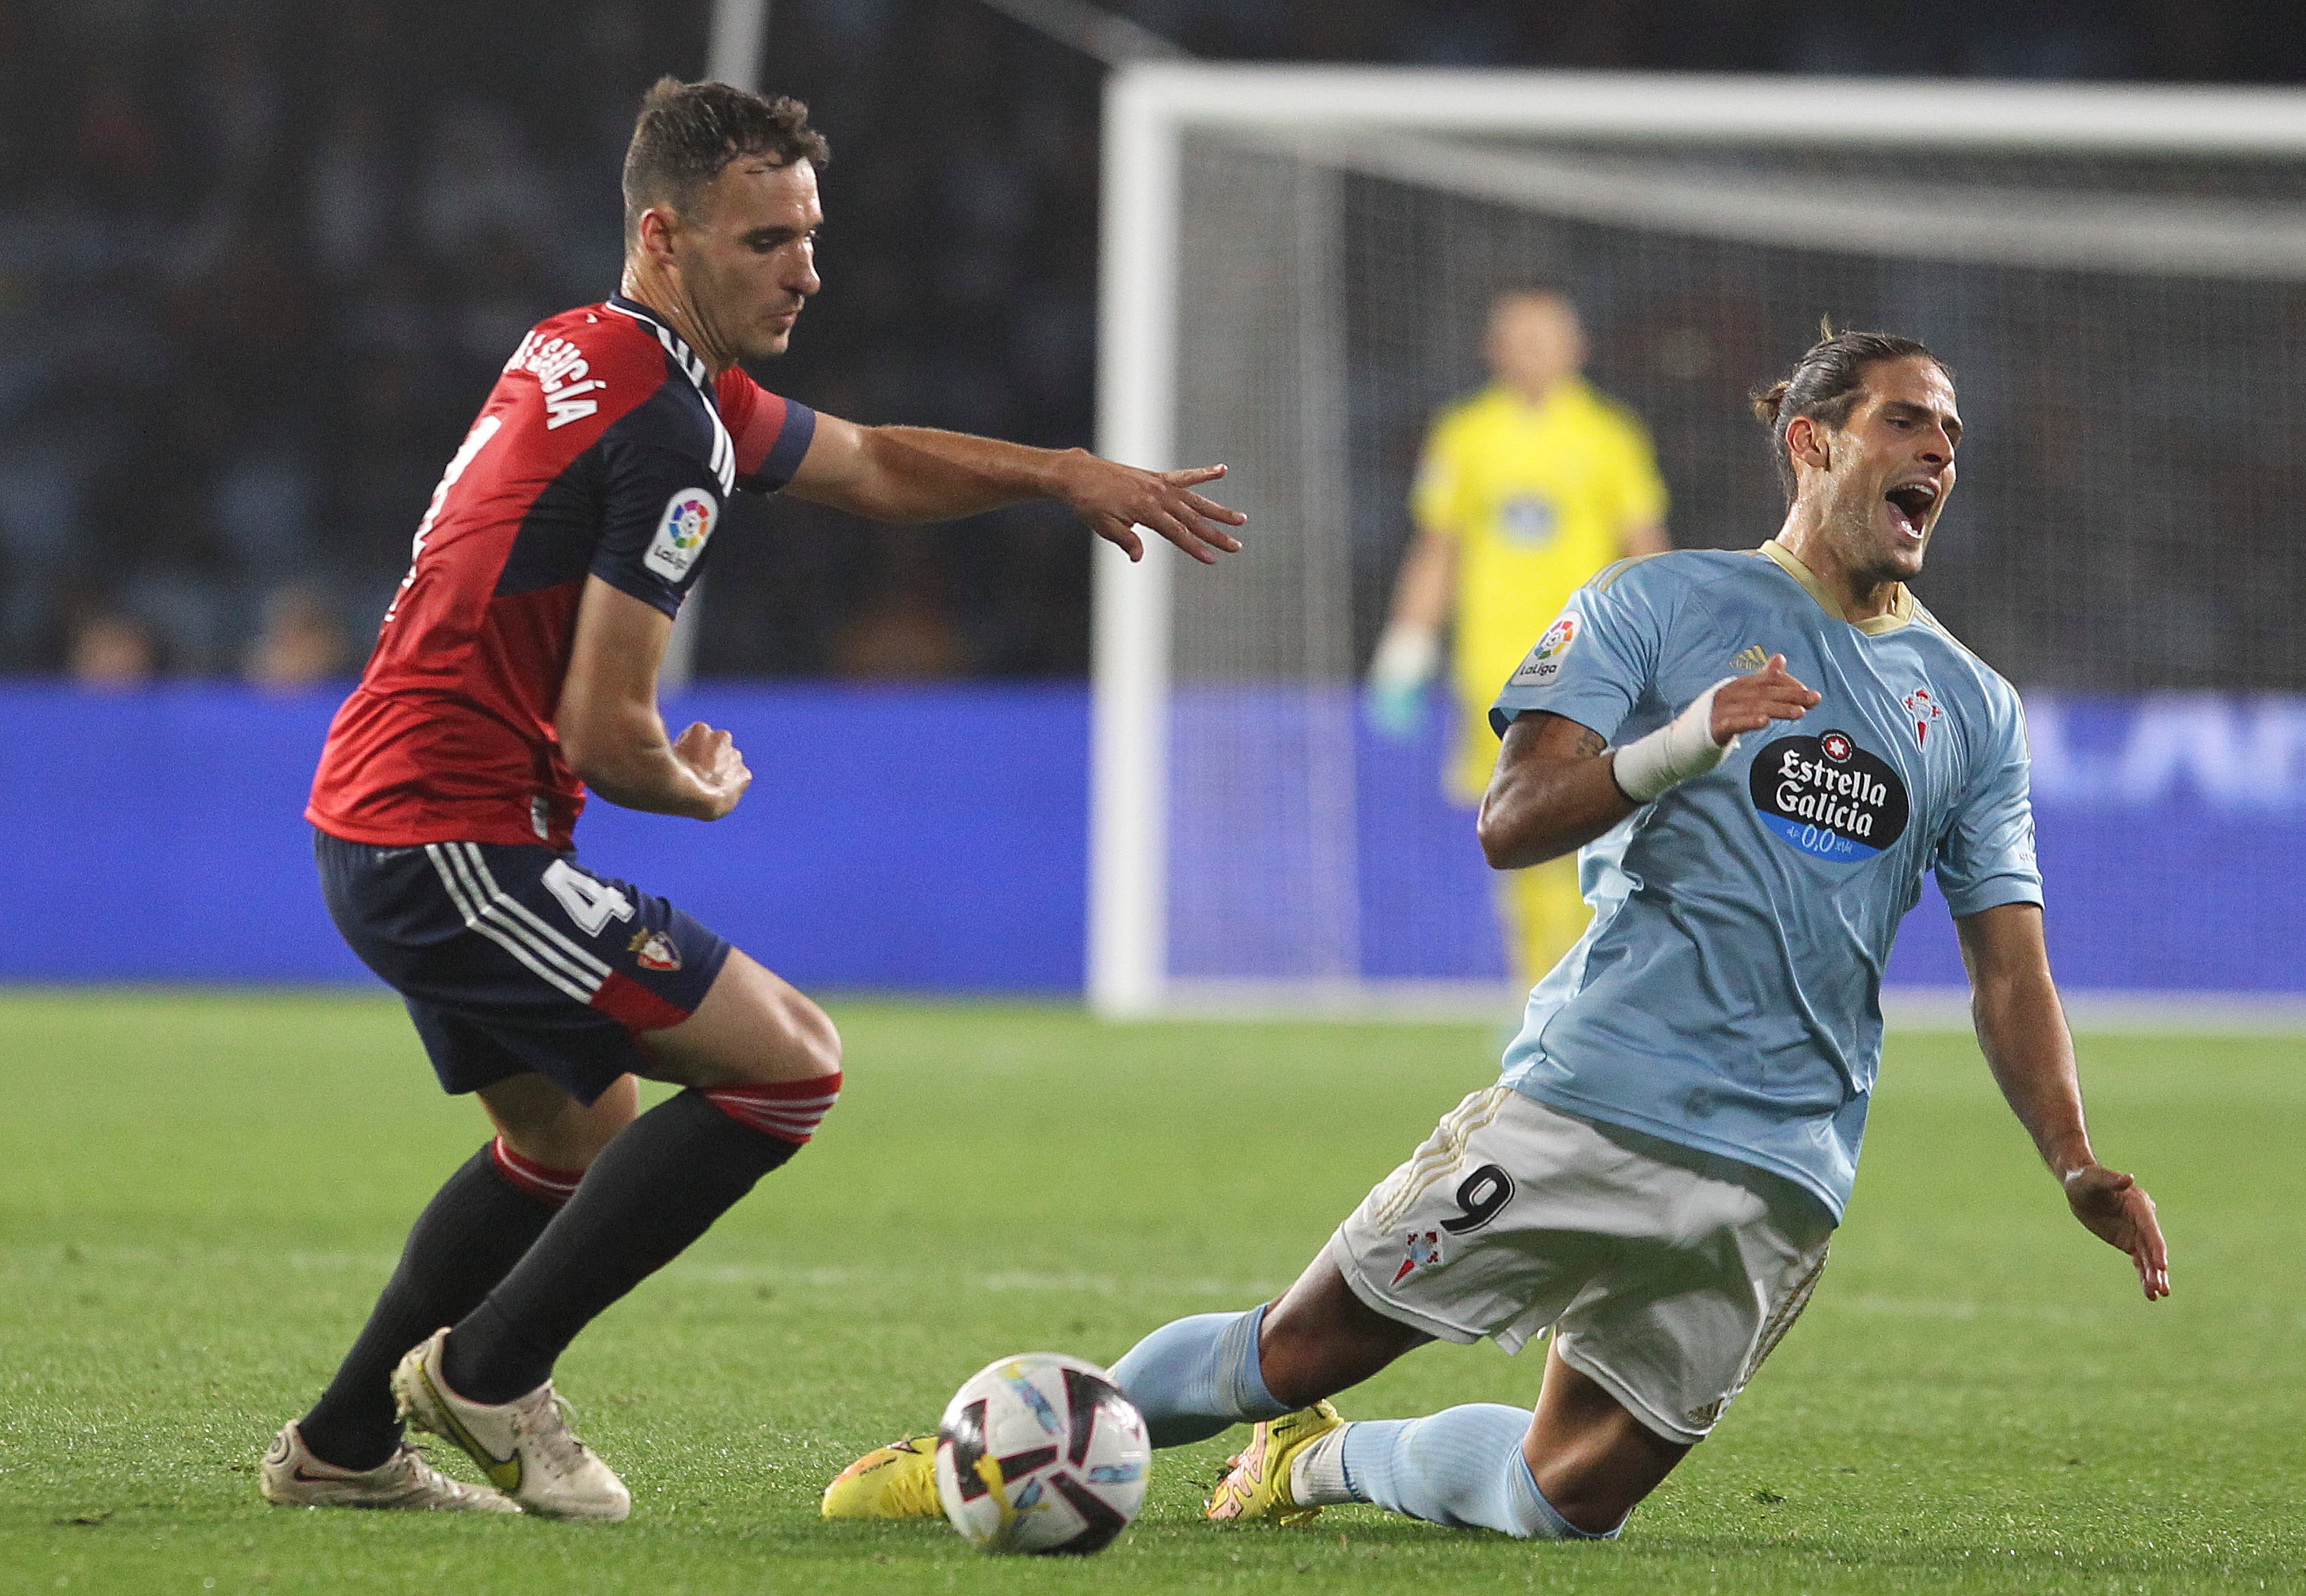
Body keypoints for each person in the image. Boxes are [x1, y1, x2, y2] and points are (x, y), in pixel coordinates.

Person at [822, 327, 2168, 1540]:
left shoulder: (1972, 706)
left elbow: (2010, 963)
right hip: (1595, 1105)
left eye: (1950, 432)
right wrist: (1688, 738)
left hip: (1785, 1169)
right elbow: (1512, 818)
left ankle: (1316, 1469)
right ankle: (983, 1450)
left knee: (1561, 1497)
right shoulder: (1654, 607)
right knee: (1292, 1348)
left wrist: (2070, 1157)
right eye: (1904, 420)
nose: (1937, 447)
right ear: (1810, 443)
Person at [258, 78, 1244, 1522]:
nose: (806, 268)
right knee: (787, 1065)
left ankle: (342, 1447)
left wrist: (1059, 473)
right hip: (453, 832)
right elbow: (606, 731)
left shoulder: (588, 349)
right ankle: (485, 1369)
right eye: (766, 240)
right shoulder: (671, 430)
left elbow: (866, 460)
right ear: (666, 238)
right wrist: (694, 786)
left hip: (392, 815)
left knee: (566, 1133)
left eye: (811, 235)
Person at [1369, 289, 1669, 990]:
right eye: (1518, 337)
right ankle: (1541, 987)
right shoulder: (1465, 434)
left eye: (1547, 337)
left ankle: (1592, 981)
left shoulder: (1610, 437)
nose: (1533, 351)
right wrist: (1406, 649)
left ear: (1577, 348)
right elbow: (1438, 548)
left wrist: (1668, 643)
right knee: (1514, 826)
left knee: (1595, 822)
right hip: (1495, 667)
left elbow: (1644, 546)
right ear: (1492, 348)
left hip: (1591, 661)